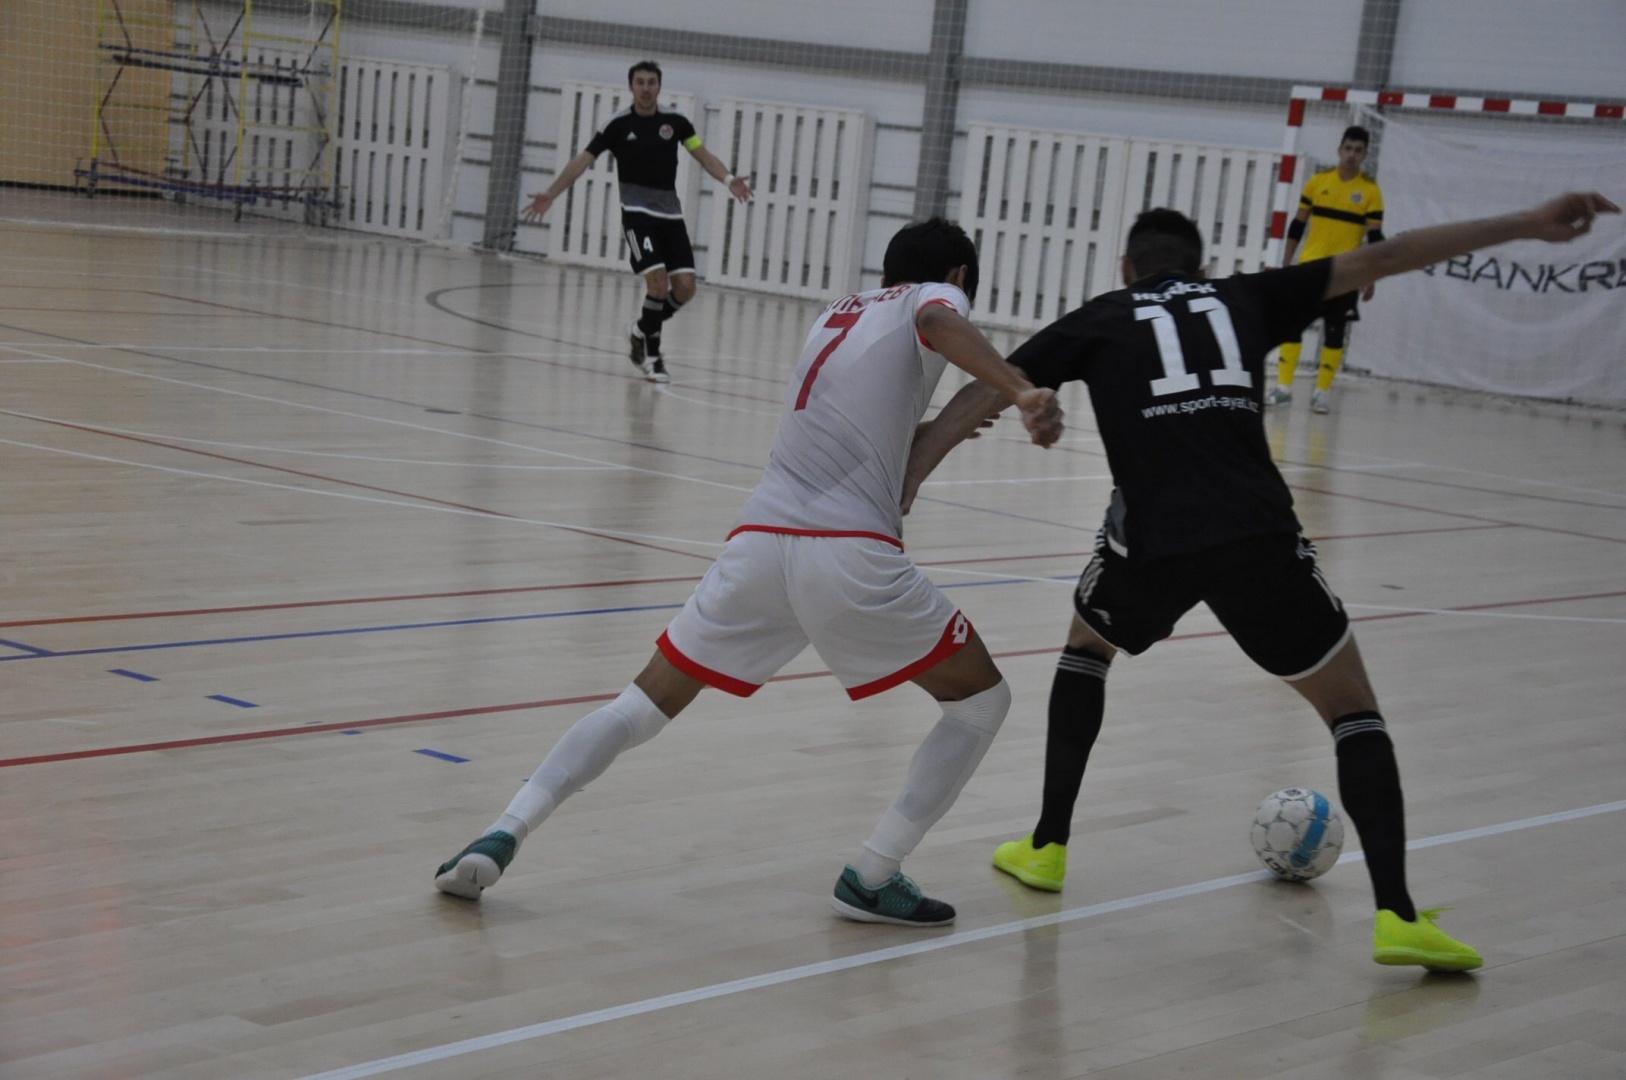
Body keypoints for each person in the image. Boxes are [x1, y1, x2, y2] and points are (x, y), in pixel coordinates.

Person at [904, 191, 1617, 969]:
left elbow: (989, 386)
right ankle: (1398, 917)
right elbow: (1386, 256)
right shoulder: (1245, 297)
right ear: (1203, 266)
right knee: (1352, 710)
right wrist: (1524, 222)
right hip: (1257, 535)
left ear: (1127, 266)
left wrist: (912, 471)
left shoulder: (1100, 316)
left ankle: (1046, 848)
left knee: (1087, 648)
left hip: (1151, 544)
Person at [435, 219, 1065, 928]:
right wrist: (1020, 391)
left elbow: (873, 433)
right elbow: (938, 320)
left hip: (758, 544)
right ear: (957, 276)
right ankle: (872, 873)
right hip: (849, 553)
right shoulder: (932, 301)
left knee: (639, 705)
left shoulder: (837, 314)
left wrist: (936, 437)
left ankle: (503, 831)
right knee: (980, 703)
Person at [521, 60, 754, 383]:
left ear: (659, 86)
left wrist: (728, 179)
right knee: (657, 283)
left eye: (651, 82)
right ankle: (652, 359)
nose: (646, 88)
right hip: (637, 216)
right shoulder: (617, 125)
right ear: (631, 87)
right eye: (640, 82)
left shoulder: (676, 123)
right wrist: (551, 193)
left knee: (686, 289)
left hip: (670, 216)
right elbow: (582, 161)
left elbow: (702, 154)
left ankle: (640, 329)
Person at [1267, 125, 1385, 413]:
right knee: (1292, 325)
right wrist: (1287, 261)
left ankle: (1321, 393)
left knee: (1335, 331)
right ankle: (1283, 389)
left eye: (1358, 150)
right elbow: (1298, 224)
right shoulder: (1317, 182)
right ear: (1339, 150)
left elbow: (1375, 239)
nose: (1351, 155)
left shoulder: (1370, 191)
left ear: (1365, 155)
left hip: (1346, 272)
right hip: (1310, 267)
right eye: (1348, 148)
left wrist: (1371, 276)